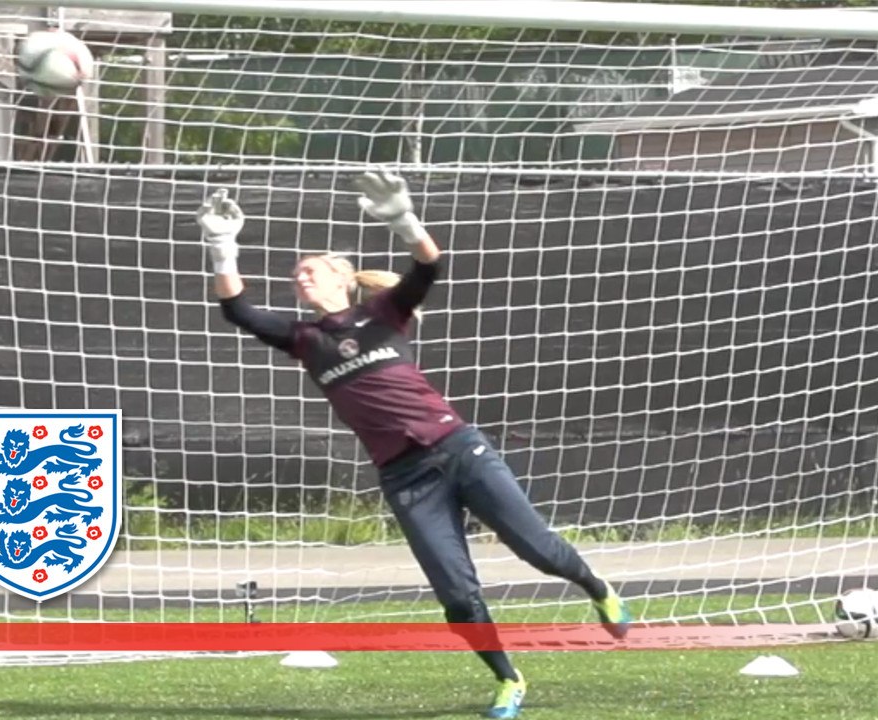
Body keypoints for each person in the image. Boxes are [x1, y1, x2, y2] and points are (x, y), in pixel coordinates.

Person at [196, 171, 631, 719]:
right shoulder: (305, 339)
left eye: (308, 270)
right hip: (406, 477)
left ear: (341, 278)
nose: (299, 279)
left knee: (538, 549)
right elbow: (238, 311)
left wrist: (403, 218)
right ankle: (508, 679)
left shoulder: (383, 314)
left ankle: (596, 588)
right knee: (454, 593)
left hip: (458, 447)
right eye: (294, 276)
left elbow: (429, 265)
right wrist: (221, 244)